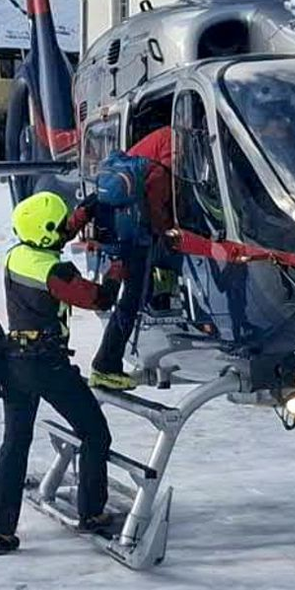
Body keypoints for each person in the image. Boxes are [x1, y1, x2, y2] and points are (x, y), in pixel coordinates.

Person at [0, 190, 120, 555]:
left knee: (15, 442)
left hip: (13, 361)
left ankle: (1, 529)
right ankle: (91, 512)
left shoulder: (17, 256)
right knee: (94, 433)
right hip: (47, 364)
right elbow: (98, 299)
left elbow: (50, 236)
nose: (66, 229)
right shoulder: (56, 270)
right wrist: (116, 273)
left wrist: (80, 216)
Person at [88, 125, 174, 391]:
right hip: (134, 240)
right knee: (130, 301)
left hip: (113, 232)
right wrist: (167, 233)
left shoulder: (140, 157)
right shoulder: (162, 169)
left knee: (122, 296)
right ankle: (106, 366)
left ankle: (109, 357)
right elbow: (158, 210)